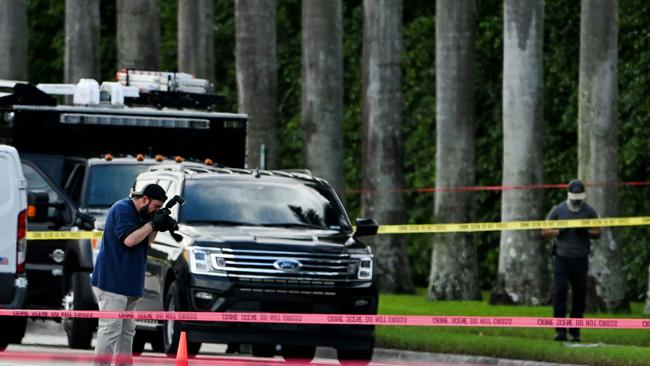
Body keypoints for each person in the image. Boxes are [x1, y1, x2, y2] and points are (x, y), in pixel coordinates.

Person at [91, 183, 176, 365]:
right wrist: (152, 223)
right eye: (156, 206)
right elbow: (129, 240)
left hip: (131, 283)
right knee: (110, 329)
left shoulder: (144, 214)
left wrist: (158, 223)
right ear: (144, 199)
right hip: (112, 281)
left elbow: (147, 240)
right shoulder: (122, 209)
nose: (156, 210)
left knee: (127, 331)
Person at [542, 179, 600, 343]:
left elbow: (597, 232)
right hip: (561, 258)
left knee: (579, 295)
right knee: (560, 292)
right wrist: (558, 232)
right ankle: (560, 330)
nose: (576, 200)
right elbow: (544, 230)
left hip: (580, 259)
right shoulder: (558, 210)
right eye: (574, 197)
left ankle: (575, 331)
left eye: (579, 197)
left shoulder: (589, 211)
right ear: (569, 195)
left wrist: (586, 233)